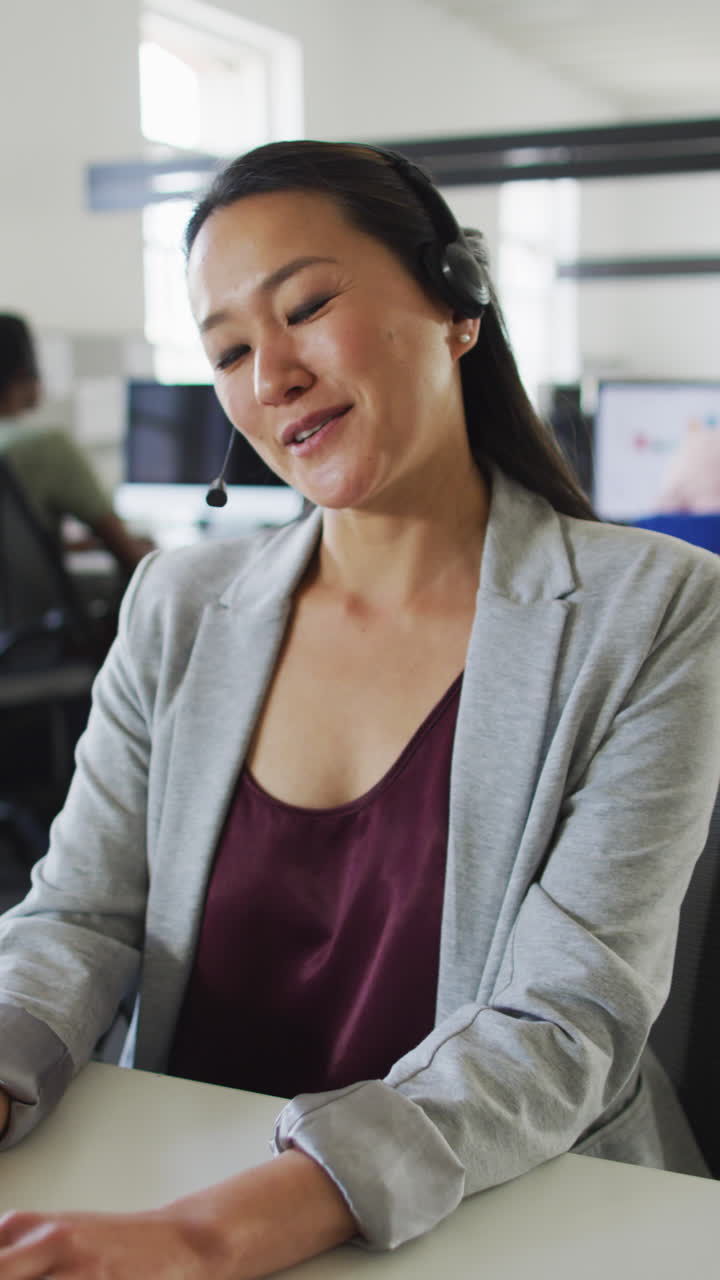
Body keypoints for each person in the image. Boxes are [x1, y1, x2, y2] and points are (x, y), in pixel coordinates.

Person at [1, 140, 719, 1278]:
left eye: (308, 308)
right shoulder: (179, 605)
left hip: (493, 1217)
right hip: (174, 1170)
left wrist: (212, 1232)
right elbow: (79, 915)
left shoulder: (650, 610)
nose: (271, 375)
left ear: (457, 303)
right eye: (229, 350)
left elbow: (563, 1017)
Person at [0, 313, 153, 575]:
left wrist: (69, 545)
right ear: (26, 371)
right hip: (39, 600)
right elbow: (126, 553)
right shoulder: (44, 447)